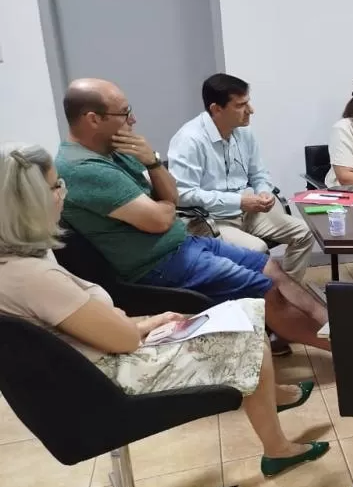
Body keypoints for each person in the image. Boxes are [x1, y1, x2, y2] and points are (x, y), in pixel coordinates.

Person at [0, 143, 329, 477]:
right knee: (249, 334)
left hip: (86, 366)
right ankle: (278, 448)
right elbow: (123, 340)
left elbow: (80, 322)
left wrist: (130, 321)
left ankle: (274, 407)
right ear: (28, 204)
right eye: (56, 186)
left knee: (243, 319)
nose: (63, 193)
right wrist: (143, 323)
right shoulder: (33, 277)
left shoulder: (17, 263)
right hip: (108, 380)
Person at [54, 78, 330, 352]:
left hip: (182, 244)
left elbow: (170, 196)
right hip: (157, 264)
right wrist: (164, 202)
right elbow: (164, 216)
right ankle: (342, 349)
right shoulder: (85, 169)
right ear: (93, 119)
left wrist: (152, 163)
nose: (133, 119)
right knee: (265, 288)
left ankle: (334, 324)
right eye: (125, 113)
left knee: (272, 268)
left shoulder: (116, 152)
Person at [167, 73, 314, 284]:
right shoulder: (189, 139)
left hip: (247, 212)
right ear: (216, 109)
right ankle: (268, 295)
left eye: (248, 102)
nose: (250, 110)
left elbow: (259, 173)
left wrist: (264, 192)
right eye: (241, 105)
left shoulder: (244, 132)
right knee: (258, 250)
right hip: (208, 221)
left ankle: (284, 291)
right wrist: (239, 201)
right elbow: (182, 194)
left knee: (304, 233)